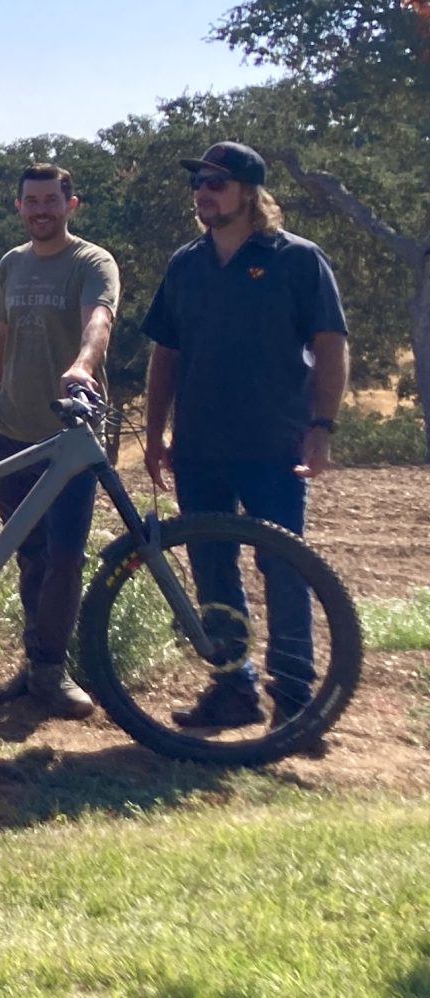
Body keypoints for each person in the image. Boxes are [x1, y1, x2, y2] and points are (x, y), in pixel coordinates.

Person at [141, 143, 348, 732]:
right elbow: (166, 355)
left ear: (250, 192)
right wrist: (156, 436)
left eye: (217, 182)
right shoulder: (186, 263)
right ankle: (233, 688)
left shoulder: (299, 261)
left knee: (283, 569)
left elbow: (331, 348)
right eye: (199, 182)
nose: (204, 191)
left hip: (273, 445)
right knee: (212, 567)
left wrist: (321, 429)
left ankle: (295, 702)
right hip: (201, 448)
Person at [0, 163, 118, 720]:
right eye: (30, 201)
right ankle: (34, 665)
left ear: (71, 205)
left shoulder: (92, 262)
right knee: (30, 556)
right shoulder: (11, 264)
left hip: (70, 435)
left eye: (50, 201)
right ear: (18, 206)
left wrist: (83, 366)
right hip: (11, 431)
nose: (41, 210)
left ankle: (53, 670)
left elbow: (99, 321)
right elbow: (5, 336)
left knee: (65, 556)